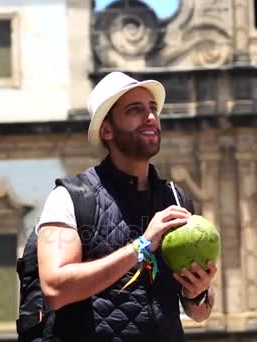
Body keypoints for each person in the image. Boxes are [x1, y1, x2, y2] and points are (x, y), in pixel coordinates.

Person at [36, 71, 217, 341]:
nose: (151, 117)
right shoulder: (71, 197)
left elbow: (199, 313)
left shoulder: (176, 199)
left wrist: (198, 292)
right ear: (106, 129)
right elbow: (55, 289)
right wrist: (141, 246)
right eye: (135, 110)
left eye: (153, 109)